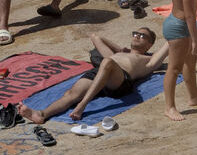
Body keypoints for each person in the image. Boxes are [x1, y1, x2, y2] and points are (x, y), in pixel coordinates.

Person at [17, 28, 167, 123]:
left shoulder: (149, 59)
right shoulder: (117, 54)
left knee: (107, 62)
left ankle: (82, 105)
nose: (137, 36)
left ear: (150, 44)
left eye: (143, 36)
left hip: (121, 80)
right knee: (70, 94)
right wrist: (122, 49)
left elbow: (171, 44)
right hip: (103, 71)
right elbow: (95, 37)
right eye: (135, 33)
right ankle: (41, 114)